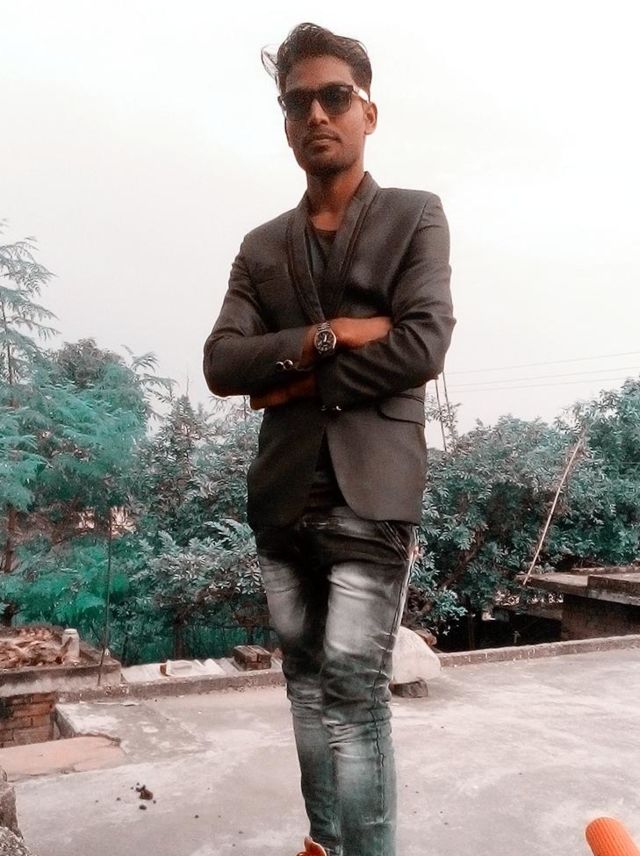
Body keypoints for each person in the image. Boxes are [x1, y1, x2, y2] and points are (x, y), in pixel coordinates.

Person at [203, 22, 455, 856]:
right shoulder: (260, 247)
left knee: (353, 691)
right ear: (285, 122)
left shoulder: (415, 215)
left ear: (367, 111)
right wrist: (330, 336)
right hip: (282, 496)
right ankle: (324, 844)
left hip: (371, 492)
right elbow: (220, 362)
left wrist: (285, 382)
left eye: (334, 96)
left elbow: (423, 345)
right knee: (305, 690)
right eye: (297, 102)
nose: (316, 113)